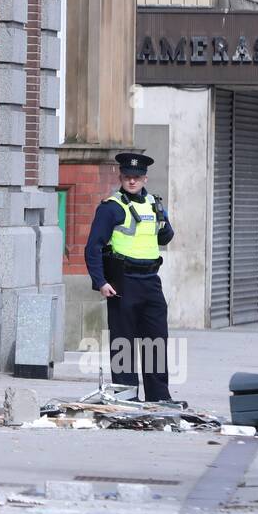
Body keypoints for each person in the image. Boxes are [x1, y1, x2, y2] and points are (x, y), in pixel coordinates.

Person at [83, 151, 175, 402]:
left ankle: (158, 397)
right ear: (121, 177)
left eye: (137, 177)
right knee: (123, 343)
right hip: (123, 282)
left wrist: (163, 221)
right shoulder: (111, 208)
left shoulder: (154, 204)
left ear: (145, 179)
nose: (132, 181)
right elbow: (93, 247)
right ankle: (126, 397)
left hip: (151, 281)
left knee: (155, 341)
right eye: (127, 177)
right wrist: (101, 282)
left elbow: (166, 236)